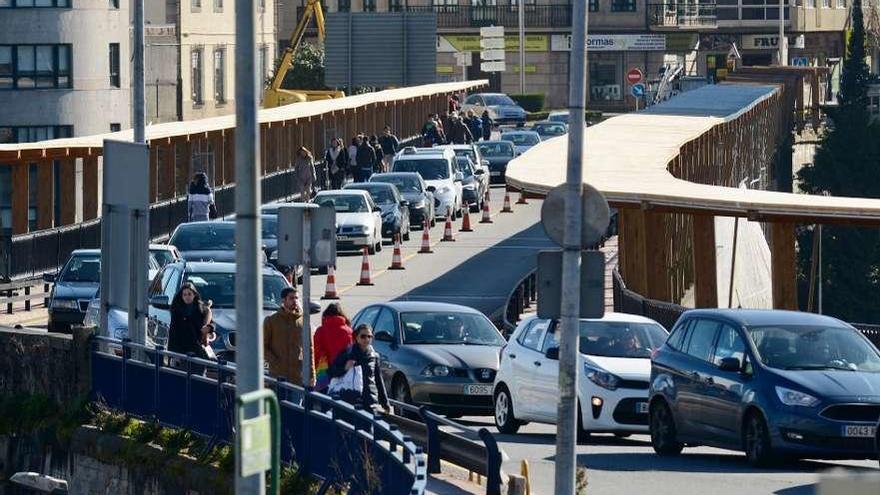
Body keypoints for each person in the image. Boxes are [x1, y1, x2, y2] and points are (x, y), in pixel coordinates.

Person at [328, 323, 389, 412]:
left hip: (369, 400)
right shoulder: (347, 353)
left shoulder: (374, 356)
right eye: (363, 336)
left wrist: (385, 403)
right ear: (356, 337)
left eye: (369, 336)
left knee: (368, 425)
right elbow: (331, 372)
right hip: (350, 400)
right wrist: (345, 368)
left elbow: (379, 380)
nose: (366, 339)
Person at [263, 287, 315, 386]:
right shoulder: (271, 321)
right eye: (291, 298)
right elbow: (263, 346)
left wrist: (312, 375)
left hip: (298, 377)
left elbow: (310, 349)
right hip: (278, 376)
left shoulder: (304, 321)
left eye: (296, 298)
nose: (295, 301)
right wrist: (275, 361)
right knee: (279, 401)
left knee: (296, 401)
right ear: (283, 300)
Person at [168, 283, 214, 368]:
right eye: (184, 294)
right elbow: (173, 334)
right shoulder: (177, 311)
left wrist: (209, 328)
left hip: (198, 350)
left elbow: (211, 324)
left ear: (194, 295)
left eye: (189, 294)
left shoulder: (202, 309)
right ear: (181, 296)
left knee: (199, 376)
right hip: (182, 352)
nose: (187, 297)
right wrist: (174, 354)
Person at [314, 303, 354, 392]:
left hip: (325, 373)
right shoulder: (349, 331)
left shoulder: (320, 331)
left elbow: (315, 354)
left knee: (325, 401)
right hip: (343, 372)